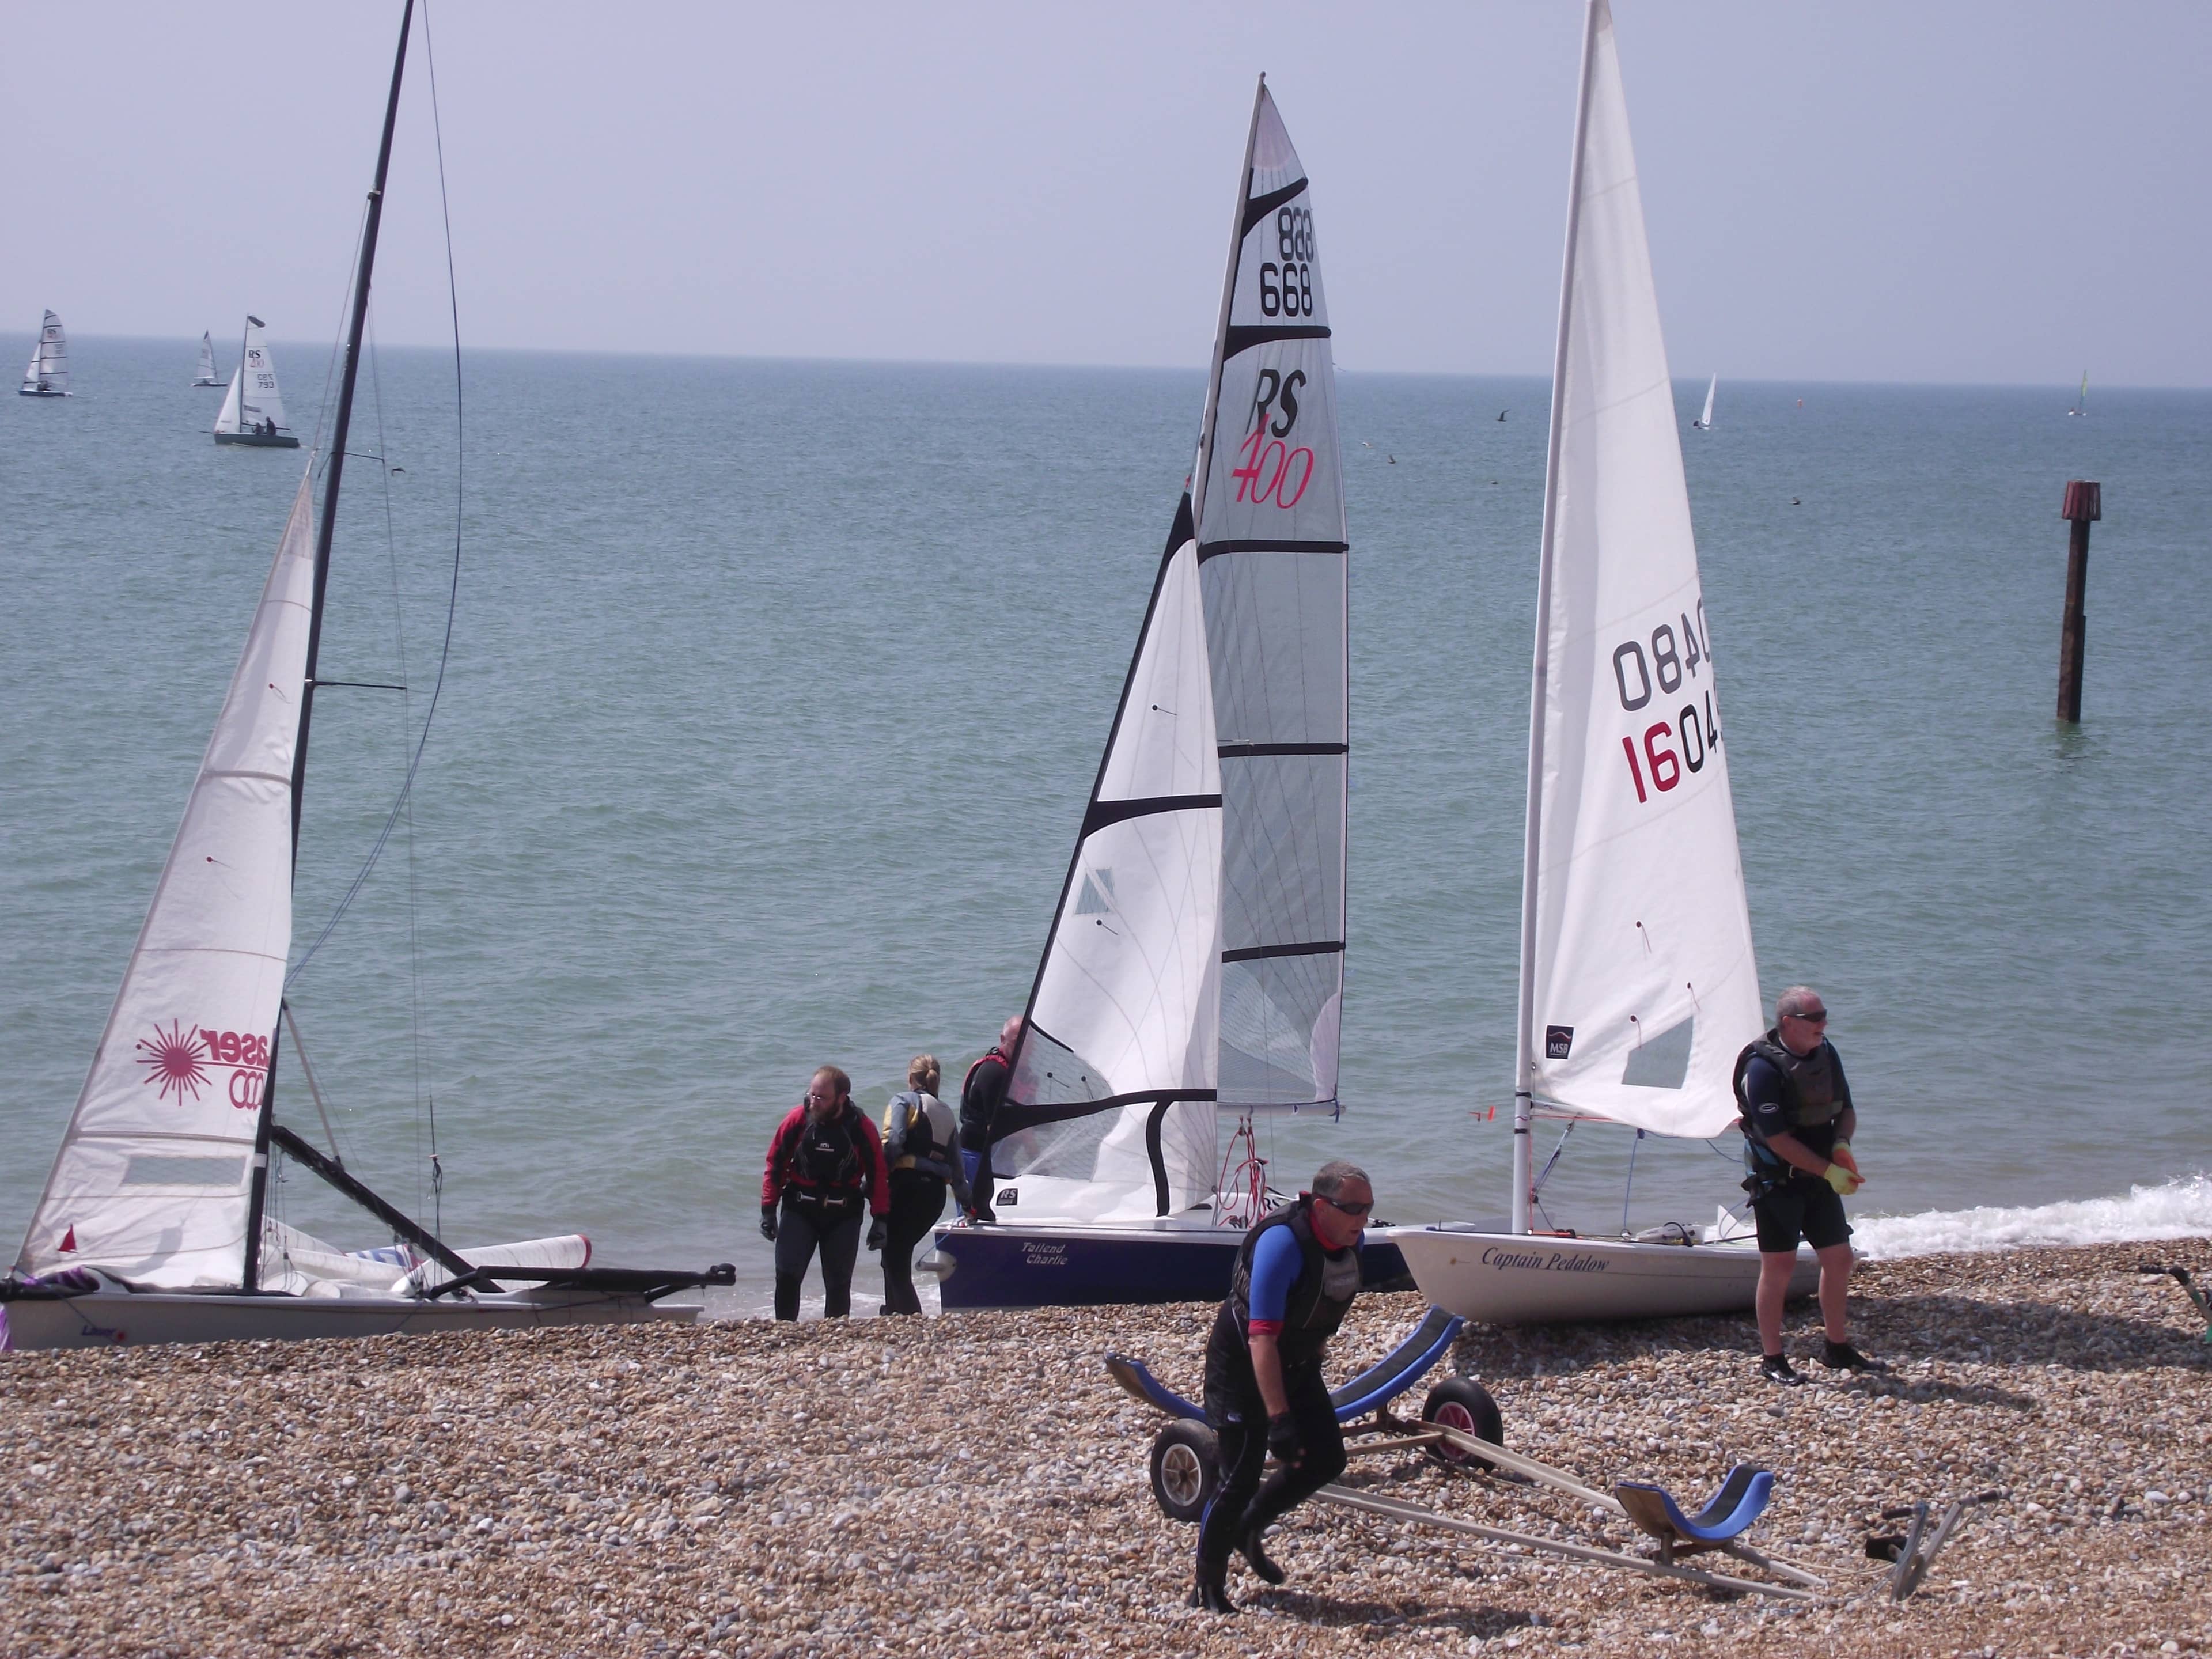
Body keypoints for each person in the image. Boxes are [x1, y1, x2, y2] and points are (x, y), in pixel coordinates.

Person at [1191, 1160, 1373, 1614]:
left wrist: (1306, 1375)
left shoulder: (1351, 1243)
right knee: (1238, 1479)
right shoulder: (1282, 1244)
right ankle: (1206, 1586)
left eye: (1368, 1209)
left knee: (1327, 1458)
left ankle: (1249, 1529)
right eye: (1352, 1208)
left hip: (1295, 1362)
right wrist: (1279, 1418)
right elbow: (1261, 1337)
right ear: (1319, 1204)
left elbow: (1317, 1309)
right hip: (1243, 1364)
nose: (1362, 1219)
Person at [1734, 986, 1874, 1384]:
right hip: (1778, 1182)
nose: (1823, 1024)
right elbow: (1777, 1139)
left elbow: (1845, 1110)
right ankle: (1773, 1358)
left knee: (1840, 1259)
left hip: (1821, 1178)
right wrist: (1828, 1171)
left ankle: (1837, 1347)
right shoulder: (1761, 1068)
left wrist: (1842, 1147)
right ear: (1788, 1023)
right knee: (1779, 1266)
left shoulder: (1825, 1054)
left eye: (1824, 1015)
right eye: (1815, 1018)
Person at [760, 1065, 889, 1321]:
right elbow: (775, 1164)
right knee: (787, 1276)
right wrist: (768, 1210)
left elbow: (877, 1174)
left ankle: (834, 1337)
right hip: (800, 1209)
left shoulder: (861, 1127)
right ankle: (784, 1332)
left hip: (843, 1213)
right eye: (812, 1095)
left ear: (842, 1098)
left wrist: (881, 1219)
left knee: (838, 1283)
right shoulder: (797, 1119)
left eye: (822, 1098)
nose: (814, 1102)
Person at [878, 1054, 969, 1316]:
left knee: (895, 1259)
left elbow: (894, 1141)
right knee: (896, 1256)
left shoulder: (903, 1101)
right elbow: (958, 1168)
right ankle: (893, 1313)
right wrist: (968, 1203)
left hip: (906, 1188)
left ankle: (910, 1319)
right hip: (933, 1197)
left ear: (910, 1078)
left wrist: (878, 1177)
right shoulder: (946, 1113)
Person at [957, 1016, 1021, 1223]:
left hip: (985, 1155)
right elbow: (997, 1125)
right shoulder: (995, 1073)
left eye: (1026, 1043)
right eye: (1016, 1042)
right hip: (974, 1155)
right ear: (1002, 1039)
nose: (1021, 1047)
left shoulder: (1005, 1069)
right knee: (978, 1215)